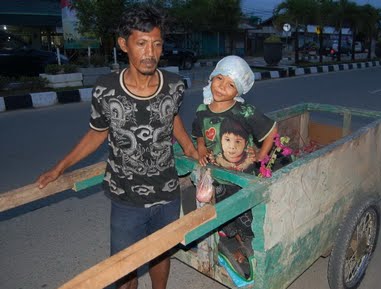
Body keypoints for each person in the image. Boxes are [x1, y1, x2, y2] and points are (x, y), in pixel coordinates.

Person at [37, 5, 198, 289]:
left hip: (167, 191)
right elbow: (96, 134)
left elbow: (172, 117)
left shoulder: (175, 85)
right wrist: (59, 167)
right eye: (141, 43)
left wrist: (189, 147)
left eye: (156, 44)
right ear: (124, 45)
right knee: (125, 265)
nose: (150, 52)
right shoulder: (106, 89)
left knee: (162, 252)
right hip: (125, 197)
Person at [191, 55, 277, 278]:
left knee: (247, 217)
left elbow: (271, 130)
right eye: (219, 78)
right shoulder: (202, 110)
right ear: (212, 78)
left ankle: (247, 241)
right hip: (220, 178)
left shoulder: (244, 111)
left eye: (231, 84)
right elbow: (199, 134)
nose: (222, 87)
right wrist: (201, 149)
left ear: (237, 91)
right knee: (224, 211)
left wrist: (261, 154)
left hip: (245, 179)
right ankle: (231, 239)